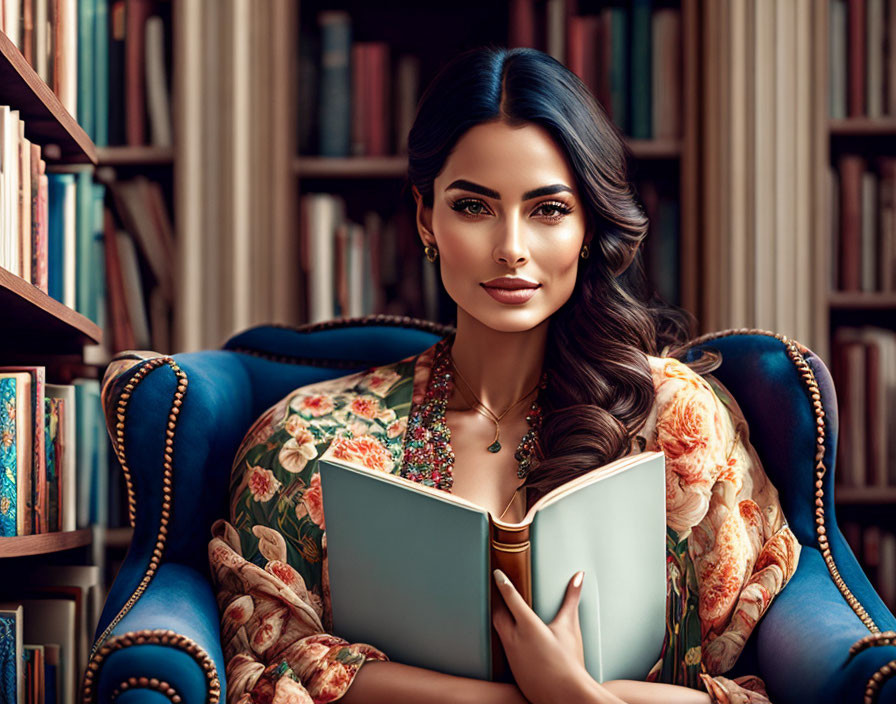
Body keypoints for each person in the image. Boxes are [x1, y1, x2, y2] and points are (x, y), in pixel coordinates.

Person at [208, 46, 801, 704]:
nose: (511, 247)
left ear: (587, 224)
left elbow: (739, 687)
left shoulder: (677, 423)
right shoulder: (308, 439)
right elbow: (268, 672)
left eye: (548, 209)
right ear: (424, 217)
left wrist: (571, 695)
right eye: (473, 207)